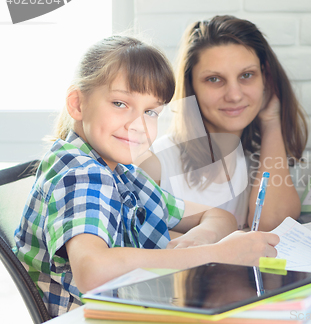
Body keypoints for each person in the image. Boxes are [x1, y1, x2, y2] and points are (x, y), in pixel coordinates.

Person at [14, 36, 279, 317]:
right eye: (119, 103)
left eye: (150, 111)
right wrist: (216, 254)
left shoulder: (125, 174)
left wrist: (200, 238)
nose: (138, 125)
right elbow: (93, 270)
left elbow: (219, 216)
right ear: (77, 104)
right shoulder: (82, 174)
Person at [138, 15, 309, 231]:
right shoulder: (156, 163)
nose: (234, 95)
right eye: (214, 79)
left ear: (265, 79)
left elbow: (274, 225)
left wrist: (272, 121)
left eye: (247, 75)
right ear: (191, 86)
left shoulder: (258, 158)